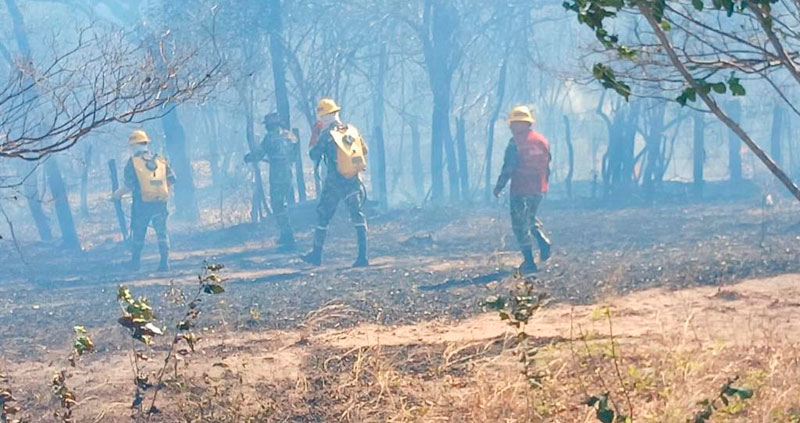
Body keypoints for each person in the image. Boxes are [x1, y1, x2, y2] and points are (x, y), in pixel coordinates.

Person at [302, 98, 369, 267]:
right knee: (357, 215)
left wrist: (315, 134)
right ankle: (363, 256)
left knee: (323, 215)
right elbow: (365, 150)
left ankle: (316, 255)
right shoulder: (351, 130)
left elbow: (313, 155)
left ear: (324, 117)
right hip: (353, 180)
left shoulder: (327, 134)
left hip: (335, 182)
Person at [494, 105, 552, 275]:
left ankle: (529, 262)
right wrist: (544, 185)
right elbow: (548, 164)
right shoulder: (542, 140)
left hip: (520, 189)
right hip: (538, 189)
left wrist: (499, 186)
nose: (510, 127)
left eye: (513, 123)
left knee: (520, 225)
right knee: (529, 217)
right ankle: (542, 241)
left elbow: (509, 167)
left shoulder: (515, 142)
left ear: (523, 123)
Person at [113, 129, 175, 271]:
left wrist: (117, 195)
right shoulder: (160, 160)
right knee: (162, 232)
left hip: (142, 204)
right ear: (146, 143)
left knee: (139, 232)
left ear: (133, 146)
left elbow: (128, 185)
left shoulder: (133, 162)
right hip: (160, 202)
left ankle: (135, 263)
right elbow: (171, 180)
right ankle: (164, 263)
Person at [245, 112, 298, 250]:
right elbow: (294, 154)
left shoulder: (269, 138)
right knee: (284, 204)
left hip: (277, 176)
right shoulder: (289, 135)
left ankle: (288, 235)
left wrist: (248, 157)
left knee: (278, 205)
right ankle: (287, 234)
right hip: (288, 173)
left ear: (269, 125)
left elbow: (259, 154)